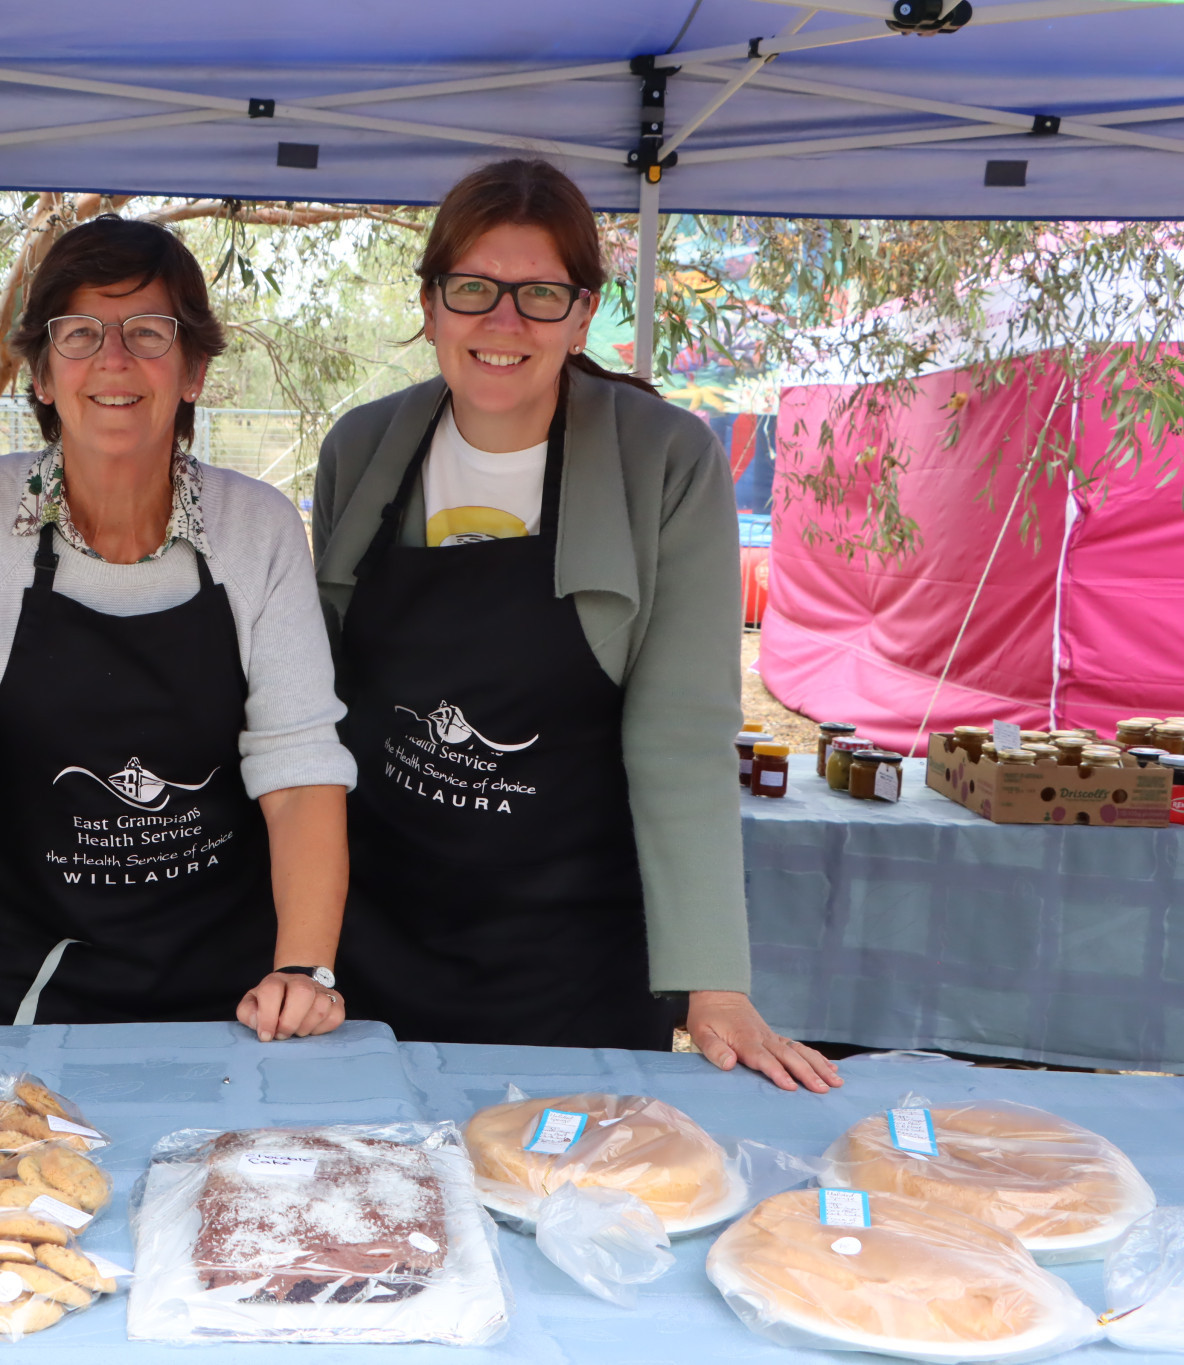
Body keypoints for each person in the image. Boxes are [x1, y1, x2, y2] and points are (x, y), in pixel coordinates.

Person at [312, 160, 841, 1093]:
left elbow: (682, 734)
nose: (502, 322)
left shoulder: (664, 460)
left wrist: (711, 982)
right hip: (379, 933)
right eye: (473, 288)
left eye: (540, 294)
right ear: (431, 304)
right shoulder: (361, 449)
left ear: (583, 312)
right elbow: (315, 705)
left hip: (573, 949)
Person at [0, 216, 354, 1053]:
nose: (114, 361)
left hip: (238, 1003)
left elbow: (300, 769)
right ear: (43, 375)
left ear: (195, 369)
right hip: (27, 994)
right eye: (80, 334)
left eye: (148, 333)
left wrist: (303, 972)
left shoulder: (258, 527)